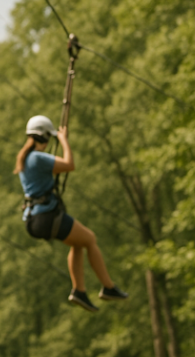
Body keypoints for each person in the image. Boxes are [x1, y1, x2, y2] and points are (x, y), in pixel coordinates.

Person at [15, 115, 129, 312]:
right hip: (47, 216)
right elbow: (69, 165)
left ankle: (79, 291)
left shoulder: (25, 158)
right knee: (90, 239)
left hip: (34, 219)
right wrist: (64, 141)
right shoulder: (37, 158)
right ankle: (108, 287)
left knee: (78, 243)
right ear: (43, 137)